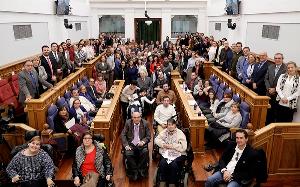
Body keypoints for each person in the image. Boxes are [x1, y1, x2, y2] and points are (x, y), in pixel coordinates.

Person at [155, 118, 187, 187]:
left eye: (172, 125)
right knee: (163, 163)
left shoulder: (180, 133)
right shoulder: (164, 132)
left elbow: (184, 147)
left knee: (173, 164)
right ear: (167, 125)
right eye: (169, 125)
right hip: (167, 153)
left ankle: (172, 182)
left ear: (175, 125)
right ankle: (162, 181)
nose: (170, 126)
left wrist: (172, 146)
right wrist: (163, 144)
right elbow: (156, 140)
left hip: (178, 153)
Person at [121, 112, 151, 180]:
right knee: (128, 154)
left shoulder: (145, 123)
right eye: (134, 117)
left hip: (141, 144)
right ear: (132, 118)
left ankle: (141, 170)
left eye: (138, 117)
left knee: (145, 152)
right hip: (130, 144)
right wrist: (126, 145)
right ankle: (134, 171)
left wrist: (143, 141)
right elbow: (123, 135)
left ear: (140, 117)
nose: (136, 119)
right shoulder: (128, 123)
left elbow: (148, 136)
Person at [264, 53, 287, 124]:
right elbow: (266, 78)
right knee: (268, 111)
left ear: (282, 59)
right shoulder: (271, 66)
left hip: (278, 94)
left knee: (275, 112)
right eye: (276, 58)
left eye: (279, 58)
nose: (277, 60)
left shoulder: (286, 69)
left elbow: (284, 82)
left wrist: (275, 89)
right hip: (269, 93)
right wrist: (269, 88)